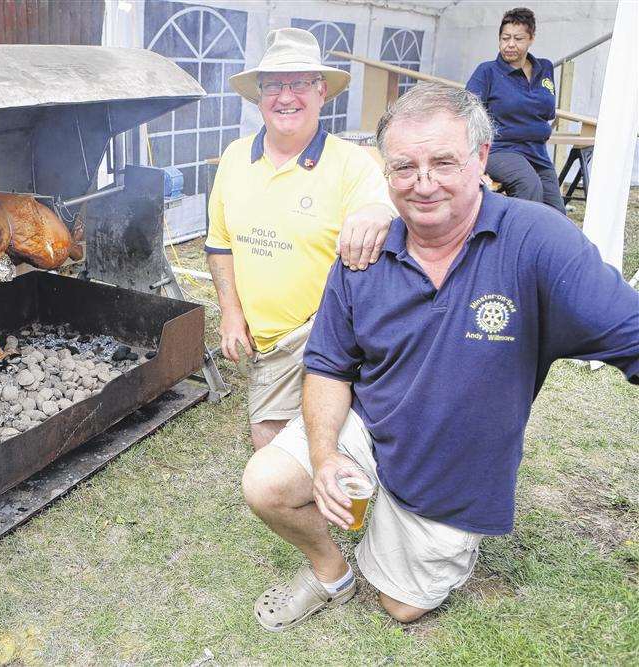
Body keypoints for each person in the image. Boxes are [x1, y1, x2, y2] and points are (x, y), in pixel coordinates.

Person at [241, 82, 638, 631]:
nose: (423, 184)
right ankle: (332, 571)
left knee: (399, 607)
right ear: (387, 170)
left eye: (443, 162)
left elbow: (630, 330)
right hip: (372, 427)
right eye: (404, 167)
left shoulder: (537, 241)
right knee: (266, 483)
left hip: (453, 473)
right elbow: (329, 365)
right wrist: (328, 454)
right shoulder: (365, 251)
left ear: (480, 157)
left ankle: (421, 530)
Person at [206, 28, 394, 450]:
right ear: (258, 95)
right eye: (274, 84)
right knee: (270, 453)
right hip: (270, 345)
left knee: (338, 448)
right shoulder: (235, 157)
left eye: (299, 83)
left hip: (329, 334)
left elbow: (380, 207)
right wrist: (231, 313)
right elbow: (220, 246)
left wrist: (378, 213)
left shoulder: (351, 163)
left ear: (322, 91)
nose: (285, 96)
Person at [466, 7, 566, 214]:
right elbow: (467, 110)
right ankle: (518, 242)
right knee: (529, 186)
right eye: (505, 38)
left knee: (557, 213)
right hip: (500, 149)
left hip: (537, 152)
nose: (510, 44)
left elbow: (548, 110)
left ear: (531, 39)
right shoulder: (487, 71)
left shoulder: (545, 68)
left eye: (518, 39)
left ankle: (546, 245)